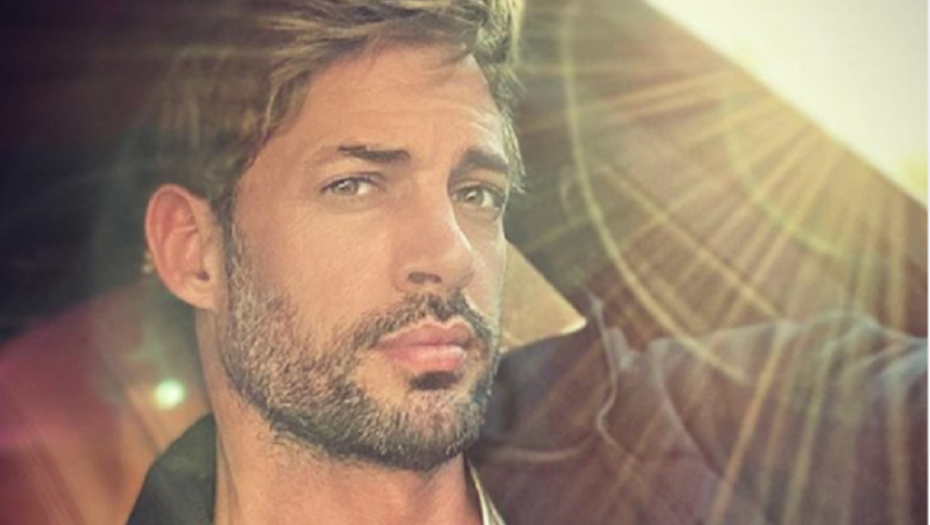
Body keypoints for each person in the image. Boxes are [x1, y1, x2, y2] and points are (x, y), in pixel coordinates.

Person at [129, 1, 926, 524]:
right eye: (356, 184)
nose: (450, 253)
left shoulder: (681, 418)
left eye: (476, 193)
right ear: (194, 251)